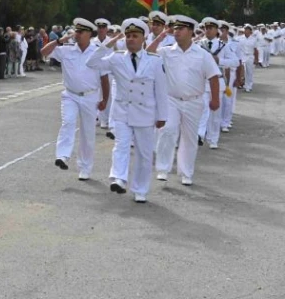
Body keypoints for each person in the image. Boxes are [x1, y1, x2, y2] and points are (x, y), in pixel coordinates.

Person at [86, 18, 167, 203]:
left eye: (135, 36)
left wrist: (162, 115)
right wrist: (111, 42)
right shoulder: (116, 58)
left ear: (143, 38)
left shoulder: (154, 61)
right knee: (121, 145)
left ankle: (140, 189)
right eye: (128, 36)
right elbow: (92, 63)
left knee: (144, 153)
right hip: (122, 111)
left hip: (145, 112)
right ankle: (119, 179)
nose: (131, 39)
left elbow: (161, 90)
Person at [148, 15, 220, 186]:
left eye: (181, 29)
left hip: (194, 101)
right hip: (171, 99)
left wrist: (215, 99)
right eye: (176, 29)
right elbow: (148, 53)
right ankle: (163, 169)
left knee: (189, 138)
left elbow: (214, 77)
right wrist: (161, 36)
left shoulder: (202, 55)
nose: (177, 32)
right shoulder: (166, 51)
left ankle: (186, 172)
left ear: (190, 31)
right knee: (167, 132)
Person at [41, 18, 109, 180]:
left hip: (90, 96)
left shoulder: (98, 52)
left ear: (89, 34)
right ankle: (62, 156)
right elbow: (44, 52)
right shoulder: (66, 49)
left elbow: (104, 78)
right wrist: (59, 40)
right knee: (68, 122)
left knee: (87, 133)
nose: (77, 35)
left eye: (81, 32)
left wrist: (105, 99)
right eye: (76, 31)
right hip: (70, 95)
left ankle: (85, 167)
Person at [197, 18, 236, 149]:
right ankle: (200, 134)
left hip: (217, 82)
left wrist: (219, 60)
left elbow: (235, 61)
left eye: (211, 28)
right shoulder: (197, 45)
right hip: (201, 82)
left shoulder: (223, 46)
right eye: (206, 28)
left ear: (216, 30)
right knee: (202, 109)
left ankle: (213, 139)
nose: (208, 30)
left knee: (215, 112)